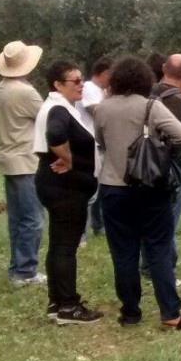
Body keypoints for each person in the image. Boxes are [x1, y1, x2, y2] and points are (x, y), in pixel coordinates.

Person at [93, 57, 181, 328]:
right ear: (145, 80)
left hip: (113, 187)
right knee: (158, 249)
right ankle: (170, 313)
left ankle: (130, 312)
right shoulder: (151, 106)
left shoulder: (102, 108)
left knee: (123, 252)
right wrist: (162, 147)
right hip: (150, 187)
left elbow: (100, 141)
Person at [33, 60, 102, 323]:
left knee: (59, 245)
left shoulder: (56, 106)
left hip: (56, 185)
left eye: (82, 79)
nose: (81, 85)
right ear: (58, 85)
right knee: (65, 247)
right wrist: (69, 159)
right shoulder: (59, 109)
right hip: (65, 188)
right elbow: (55, 134)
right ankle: (69, 306)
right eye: (75, 81)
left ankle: (57, 301)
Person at [0, 40, 46, 287]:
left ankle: (18, 267)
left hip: (9, 158)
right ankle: (25, 271)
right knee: (33, 219)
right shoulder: (24, 91)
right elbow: (46, 115)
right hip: (25, 160)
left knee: (17, 218)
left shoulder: (1, 88)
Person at [148, 54, 181, 277]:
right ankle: (165, 268)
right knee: (169, 218)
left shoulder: (146, 93)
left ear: (162, 68)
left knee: (148, 215)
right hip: (173, 164)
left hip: (144, 160)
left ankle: (146, 265)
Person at [79, 57, 112, 236]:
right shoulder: (89, 88)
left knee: (102, 189)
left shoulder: (101, 91)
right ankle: (80, 233)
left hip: (101, 144)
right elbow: (97, 112)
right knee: (90, 191)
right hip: (91, 144)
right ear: (104, 73)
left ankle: (99, 226)